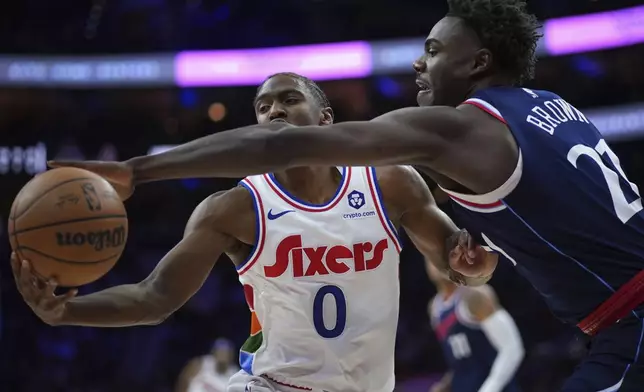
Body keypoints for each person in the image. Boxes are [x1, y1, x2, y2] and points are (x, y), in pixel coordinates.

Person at [47, 0, 644, 388]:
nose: (419, 62)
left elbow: (274, 147)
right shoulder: (554, 109)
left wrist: (135, 171)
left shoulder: (436, 147)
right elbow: (506, 239)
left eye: (434, 51)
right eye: (262, 107)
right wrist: (476, 253)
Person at [13, 72, 494, 392]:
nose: (274, 112)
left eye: (289, 99)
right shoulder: (236, 208)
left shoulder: (390, 182)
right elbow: (153, 299)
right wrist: (65, 310)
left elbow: (457, 263)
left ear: (326, 119)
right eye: (263, 107)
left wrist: (472, 265)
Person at [426, 262, 523, 392]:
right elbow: (463, 360)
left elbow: (512, 348)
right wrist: (446, 384)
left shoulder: (475, 295)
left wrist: (490, 388)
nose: (435, 263)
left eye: (438, 255)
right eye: (429, 257)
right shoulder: (434, 308)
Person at [176, 338, 240, 392]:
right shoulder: (200, 363)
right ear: (214, 352)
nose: (222, 355)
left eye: (225, 353)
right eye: (220, 351)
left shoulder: (235, 374)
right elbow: (184, 381)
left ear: (231, 356)